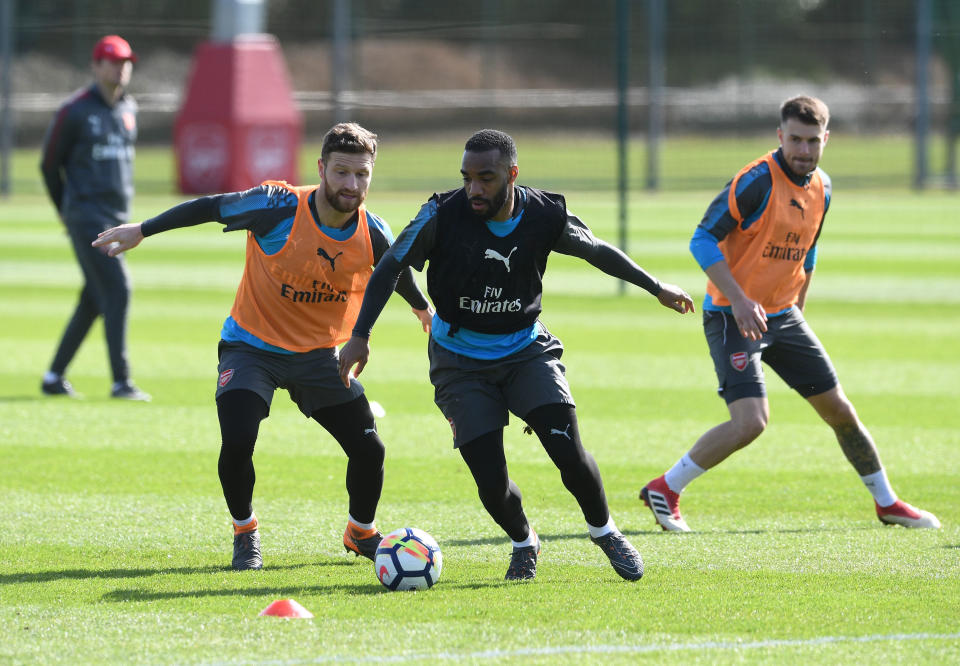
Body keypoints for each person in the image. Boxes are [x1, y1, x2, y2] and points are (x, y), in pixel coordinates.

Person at [338, 129, 696, 582]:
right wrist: (361, 334)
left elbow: (596, 250)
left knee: (567, 448)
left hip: (527, 349)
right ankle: (524, 541)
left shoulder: (542, 214)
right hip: (458, 360)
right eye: (467, 178)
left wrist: (656, 287)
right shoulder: (440, 215)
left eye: (485, 178)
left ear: (512, 174)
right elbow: (390, 264)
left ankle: (604, 531)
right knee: (490, 478)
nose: (474, 189)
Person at [92, 123, 434, 570]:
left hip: (318, 357)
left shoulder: (373, 231)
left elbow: (392, 269)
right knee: (238, 439)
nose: (352, 185)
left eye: (362, 175)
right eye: (342, 172)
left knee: (370, 449)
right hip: (251, 348)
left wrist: (422, 309)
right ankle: (245, 531)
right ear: (321, 168)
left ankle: (361, 532)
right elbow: (212, 207)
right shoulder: (278, 206)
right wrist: (144, 229)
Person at [640, 96, 941, 532]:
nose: (803, 150)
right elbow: (702, 239)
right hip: (731, 314)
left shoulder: (825, 187)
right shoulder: (756, 181)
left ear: (826, 140)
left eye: (812, 141)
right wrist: (740, 300)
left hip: (782, 316)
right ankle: (665, 489)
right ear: (780, 136)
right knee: (751, 423)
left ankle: (887, 503)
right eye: (795, 139)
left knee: (839, 410)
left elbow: (809, 247)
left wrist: (799, 308)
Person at [39, 35, 149, 401]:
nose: (121, 69)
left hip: (116, 218)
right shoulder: (75, 111)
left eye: (126, 62)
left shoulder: (128, 108)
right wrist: (67, 212)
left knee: (94, 298)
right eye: (113, 61)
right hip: (86, 215)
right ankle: (122, 382)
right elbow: (49, 164)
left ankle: (54, 376)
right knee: (118, 290)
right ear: (96, 65)